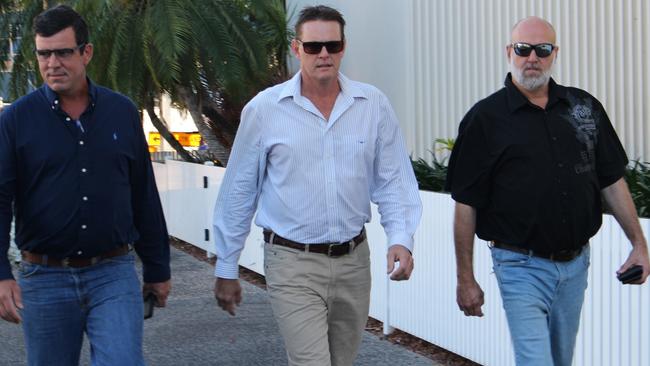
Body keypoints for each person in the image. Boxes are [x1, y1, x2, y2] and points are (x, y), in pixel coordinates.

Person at [212, 5, 422, 366]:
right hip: (292, 262)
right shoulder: (266, 109)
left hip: (354, 261)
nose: (323, 54)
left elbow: (393, 180)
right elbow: (239, 191)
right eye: (313, 47)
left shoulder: (372, 105)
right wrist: (226, 267)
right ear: (297, 49)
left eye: (332, 45)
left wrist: (401, 237)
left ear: (343, 47)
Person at [446, 16, 650, 366]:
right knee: (536, 360)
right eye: (523, 49)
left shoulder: (583, 107)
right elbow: (466, 203)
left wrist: (639, 245)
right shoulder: (484, 119)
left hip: (575, 264)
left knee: (559, 360)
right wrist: (466, 279)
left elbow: (612, 181)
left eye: (542, 50)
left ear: (555, 53)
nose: (532, 58)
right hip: (519, 265)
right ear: (509, 52)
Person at [0, 5, 171, 365]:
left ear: (86, 52)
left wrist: (157, 269)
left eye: (63, 52)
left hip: (112, 273)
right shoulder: (15, 120)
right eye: (44, 54)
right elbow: (0, 199)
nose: (53, 63)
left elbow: (142, 193)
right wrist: (1, 274)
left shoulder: (121, 111)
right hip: (43, 277)